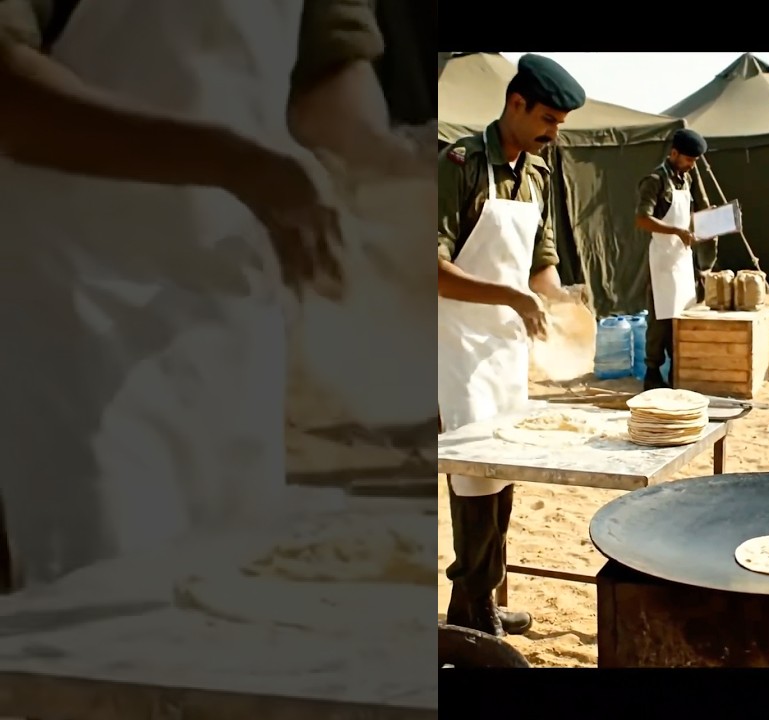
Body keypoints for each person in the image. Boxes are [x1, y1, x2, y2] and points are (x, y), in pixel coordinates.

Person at [0, 0, 419, 589]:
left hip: (226, 318)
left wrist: (389, 162)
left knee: (222, 595)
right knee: (96, 604)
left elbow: (329, 81)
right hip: (73, 314)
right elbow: (13, 98)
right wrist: (238, 161)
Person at [437, 54, 585, 637]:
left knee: (503, 472)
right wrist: (513, 296)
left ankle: (481, 601)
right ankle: (470, 608)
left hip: (503, 344)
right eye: (548, 118)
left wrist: (562, 304)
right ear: (515, 104)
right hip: (454, 343)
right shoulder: (460, 164)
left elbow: (540, 264)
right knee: (474, 477)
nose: (554, 132)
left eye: (561, 123)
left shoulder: (538, 173)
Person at [634, 127, 714, 391]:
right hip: (662, 260)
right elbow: (642, 219)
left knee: (682, 315)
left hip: (682, 258)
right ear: (674, 153)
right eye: (688, 160)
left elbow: (692, 213)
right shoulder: (655, 180)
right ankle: (653, 372)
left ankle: (677, 373)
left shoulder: (686, 180)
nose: (691, 166)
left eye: (694, 162)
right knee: (660, 320)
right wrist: (676, 231)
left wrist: (712, 220)